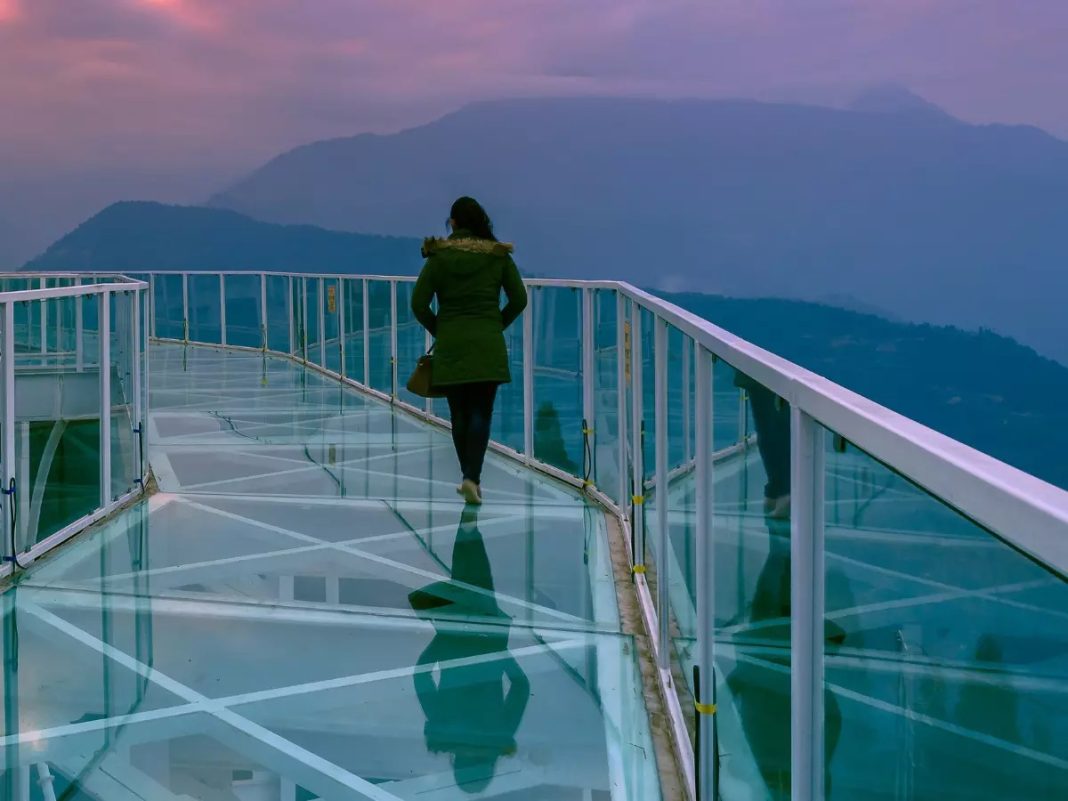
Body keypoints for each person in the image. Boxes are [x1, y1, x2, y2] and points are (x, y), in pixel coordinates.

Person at [412, 197, 527, 505]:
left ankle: (469, 477)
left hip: (451, 343)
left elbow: (418, 304)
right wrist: (495, 325)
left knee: (459, 412)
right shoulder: (498, 257)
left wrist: (441, 330)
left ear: (453, 223)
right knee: (481, 411)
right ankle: (471, 478)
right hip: (487, 343)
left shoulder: (439, 258)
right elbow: (519, 300)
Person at [409, 507, 530, 794]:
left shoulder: (499, 735)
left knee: (474, 582)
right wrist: (438, 645)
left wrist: (500, 653)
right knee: (448, 588)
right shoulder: (445, 732)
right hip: (456, 638)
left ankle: (468, 528)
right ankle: (468, 528)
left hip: (486, 634)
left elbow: (522, 686)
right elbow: (422, 676)